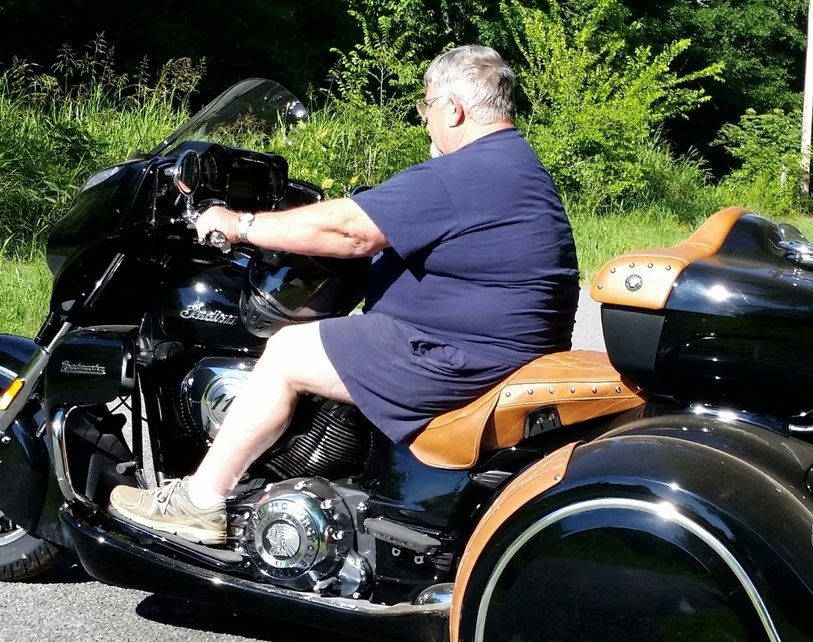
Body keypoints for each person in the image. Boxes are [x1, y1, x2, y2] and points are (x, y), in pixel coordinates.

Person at [109, 44, 580, 545]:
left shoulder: (463, 172)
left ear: (453, 108)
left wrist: (239, 223)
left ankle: (199, 502)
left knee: (287, 353)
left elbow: (352, 232)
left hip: (459, 355)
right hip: (499, 347)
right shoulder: (516, 164)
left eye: (425, 106)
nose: (425, 121)